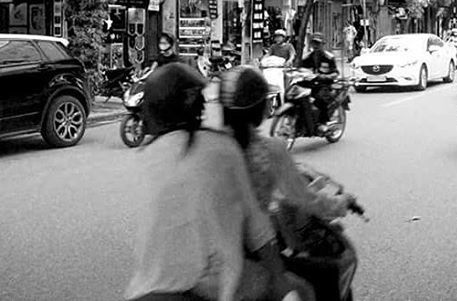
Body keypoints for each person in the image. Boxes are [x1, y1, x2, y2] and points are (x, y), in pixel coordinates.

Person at [124, 63, 298, 301]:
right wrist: (282, 282)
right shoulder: (220, 148)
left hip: (143, 291)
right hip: (211, 287)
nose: (203, 105)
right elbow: (257, 228)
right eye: (199, 100)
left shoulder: (145, 158)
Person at [220, 67, 353, 271]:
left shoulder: (210, 145)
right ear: (260, 107)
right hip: (251, 254)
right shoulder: (270, 149)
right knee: (315, 281)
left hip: (211, 250)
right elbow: (304, 198)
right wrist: (340, 204)